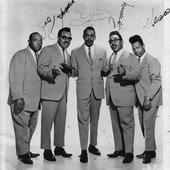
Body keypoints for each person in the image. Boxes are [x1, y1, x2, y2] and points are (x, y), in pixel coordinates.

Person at [71, 26, 107, 163]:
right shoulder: (75, 52)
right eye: (87, 35)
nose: (89, 38)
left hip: (97, 90)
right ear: (83, 36)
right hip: (83, 89)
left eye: (92, 35)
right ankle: (83, 150)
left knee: (95, 119)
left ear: (95, 36)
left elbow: (103, 70)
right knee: (83, 120)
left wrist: (105, 71)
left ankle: (92, 145)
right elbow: (74, 72)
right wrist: (70, 70)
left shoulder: (103, 51)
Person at [38, 27, 74, 161]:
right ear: (58, 37)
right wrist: (51, 73)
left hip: (63, 93)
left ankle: (59, 147)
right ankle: (47, 150)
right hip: (50, 92)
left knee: (61, 122)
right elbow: (41, 67)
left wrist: (71, 70)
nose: (67, 40)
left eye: (69, 38)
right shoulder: (48, 50)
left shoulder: (68, 54)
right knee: (47, 123)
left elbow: (73, 72)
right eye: (64, 37)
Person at [104, 31, 140, 163]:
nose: (113, 43)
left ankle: (129, 152)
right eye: (110, 41)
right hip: (112, 96)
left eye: (115, 40)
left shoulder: (130, 57)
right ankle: (119, 149)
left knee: (127, 124)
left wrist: (125, 73)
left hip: (125, 96)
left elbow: (137, 75)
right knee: (115, 124)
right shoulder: (110, 57)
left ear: (122, 41)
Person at [8, 32, 43, 164]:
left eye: (41, 41)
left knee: (30, 127)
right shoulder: (20, 55)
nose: (39, 43)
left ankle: (25, 150)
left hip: (34, 101)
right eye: (35, 40)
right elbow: (15, 77)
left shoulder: (38, 57)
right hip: (21, 100)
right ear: (29, 41)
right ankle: (23, 154)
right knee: (22, 128)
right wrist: (18, 98)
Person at [129, 35, 162, 164]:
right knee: (144, 125)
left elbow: (157, 81)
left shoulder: (152, 60)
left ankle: (148, 152)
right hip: (141, 99)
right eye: (133, 49)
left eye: (138, 47)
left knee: (148, 125)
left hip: (150, 98)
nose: (136, 50)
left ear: (143, 46)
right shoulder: (136, 61)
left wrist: (148, 97)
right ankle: (151, 150)